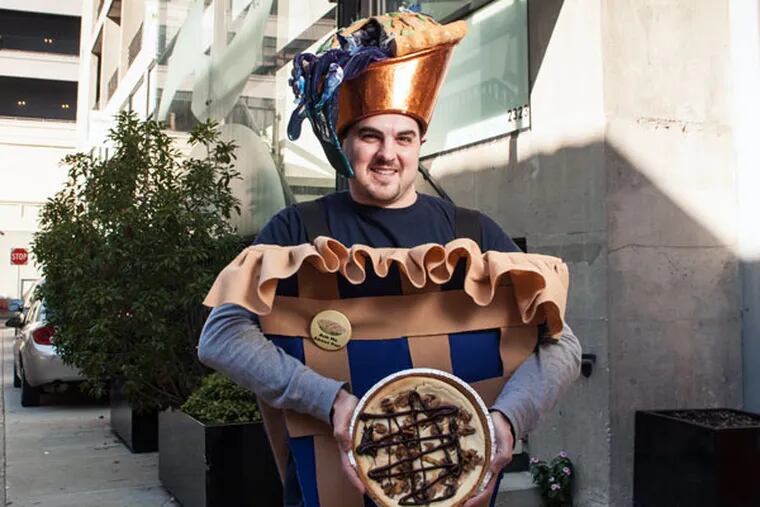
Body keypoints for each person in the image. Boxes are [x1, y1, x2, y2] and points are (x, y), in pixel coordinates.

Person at [199, 11, 581, 507]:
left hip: (454, 486)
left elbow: (562, 344)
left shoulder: (472, 234)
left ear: (420, 144)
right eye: (370, 136)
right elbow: (222, 335)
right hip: (327, 490)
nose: (388, 154)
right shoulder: (297, 232)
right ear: (345, 141)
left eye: (404, 138)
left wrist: (507, 421)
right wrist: (331, 402)